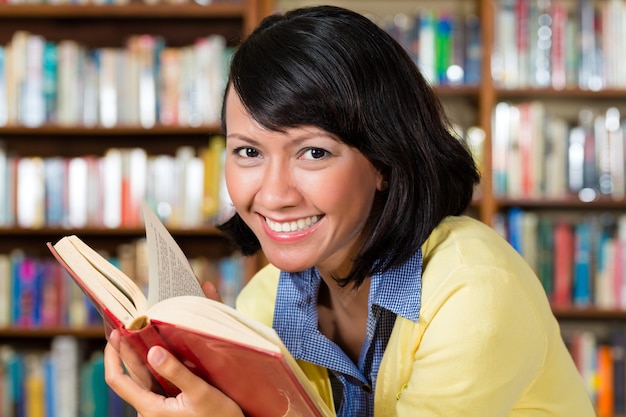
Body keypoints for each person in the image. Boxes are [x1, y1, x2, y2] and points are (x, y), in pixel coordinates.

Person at [104, 5, 595, 417]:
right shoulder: (263, 303)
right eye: (248, 152)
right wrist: (190, 382)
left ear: (384, 160)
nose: (273, 195)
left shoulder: (475, 292)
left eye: (313, 152)